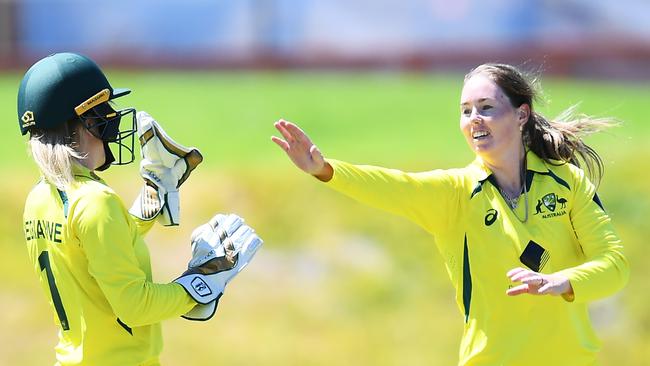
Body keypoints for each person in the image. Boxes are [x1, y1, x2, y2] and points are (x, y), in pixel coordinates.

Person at [272, 63, 629, 365]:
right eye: (466, 110)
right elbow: (393, 185)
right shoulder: (456, 193)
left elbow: (614, 266)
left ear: (521, 115)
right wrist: (325, 169)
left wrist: (563, 282)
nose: (474, 119)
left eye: (486, 107)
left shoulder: (566, 181)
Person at [18, 52, 261, 365]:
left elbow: (96, 247)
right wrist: (203, 280)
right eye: (104, 112)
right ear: (87, 122)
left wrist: (151, 197)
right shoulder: (96, 201)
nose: (113, 121)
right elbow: (134, 306)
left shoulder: (39, 197)